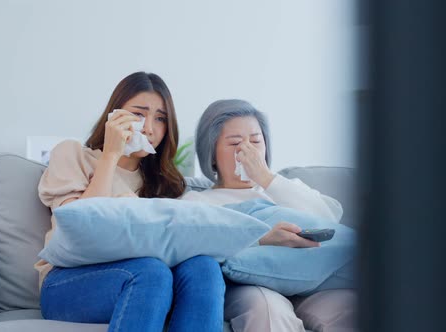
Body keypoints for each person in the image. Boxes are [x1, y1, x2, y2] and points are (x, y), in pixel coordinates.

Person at [35, 72, 225, 332]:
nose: (148, 128)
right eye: (138, 114)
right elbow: (81, 226)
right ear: (114, 117)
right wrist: (111, 154)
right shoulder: (73, 154)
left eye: (160, 119)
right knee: (151, 272)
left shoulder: (165, 185)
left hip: (147, 278)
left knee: (204, 268)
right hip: (67, 282)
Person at [182, 99, 344, 332]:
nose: (247, 150)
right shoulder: (197, 202)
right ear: (212, 154)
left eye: (256, 141)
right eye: (235, 143)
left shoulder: (285, 187)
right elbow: (190, 251)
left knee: (348, 308)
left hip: (311, 281)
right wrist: (262, 239)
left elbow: (329, 220)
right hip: (252, 286)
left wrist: (266, 178)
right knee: (268, 310)